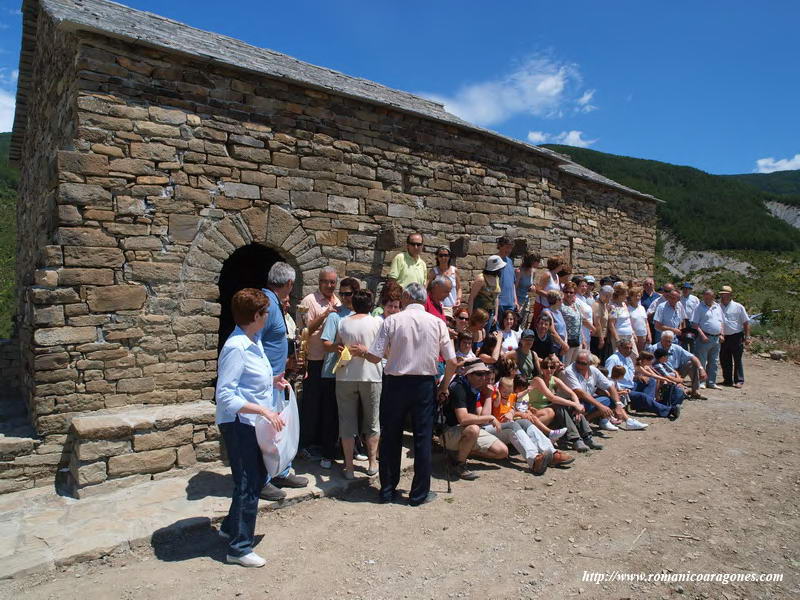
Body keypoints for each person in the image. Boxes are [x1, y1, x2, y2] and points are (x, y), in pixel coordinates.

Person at [361, 283, 458, 506]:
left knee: (391, 437)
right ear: (424, 299)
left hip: (395, 383)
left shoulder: (392, 321)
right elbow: (452, 361)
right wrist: (443, 386)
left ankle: (386, 490)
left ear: (406, 297)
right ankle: (418, 494)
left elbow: (375, 357)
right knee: (423, 439)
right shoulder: (437, 323)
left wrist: (362, 352)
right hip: (424, 384)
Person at [216, 289, 289, 567]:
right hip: (239, 423)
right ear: (256, 316)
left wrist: (273, 382)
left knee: (256, 477)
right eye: (266, 312)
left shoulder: (252, 339)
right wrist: (261, 409)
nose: (269, 316)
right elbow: (225, 395)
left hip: (251, 422)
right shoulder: (236, 347)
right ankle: (239, 548)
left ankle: (230, 527)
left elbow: (249, 381)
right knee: (248, 481)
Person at [260, 262, 308, 500]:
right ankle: (262, 478)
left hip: (276, 380)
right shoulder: (267, 305)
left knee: (279, 430)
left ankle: (280, 470)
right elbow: (254, 341)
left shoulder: (273, 304)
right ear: (289, 284)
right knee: (267, 432)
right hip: (267, 382)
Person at [334, 290, 382, 480]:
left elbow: (338, 346)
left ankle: (349, 466)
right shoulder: (378, 322)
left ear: (353, 304)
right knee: (372, 421)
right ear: (370, 305)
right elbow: (384, 351)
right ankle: (372, 461)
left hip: (345, 375)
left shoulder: (342, 322)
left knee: (346, 422)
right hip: (371, 375)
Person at [298, 267, 340, 461]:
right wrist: (325, 315)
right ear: (319, 282)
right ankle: (306, 445)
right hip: (315, 360)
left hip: (331, 362)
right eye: (326, 282)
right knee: (312, 405)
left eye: (333, 282)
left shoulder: (337, 300)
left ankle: (324, 444)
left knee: (328, 405)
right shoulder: (309, 301)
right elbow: (305, 330)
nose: (330, 286)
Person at [442, 359, 509, 481]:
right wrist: (490, 417)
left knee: (502, 452)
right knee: (473, 429)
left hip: (464, 431)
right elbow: (463, 419)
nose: (483, 377)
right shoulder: (458, 387)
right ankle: (459, 465)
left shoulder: (474, 388)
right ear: (469, 374)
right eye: (479, 374)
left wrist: (488, 396)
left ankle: (460, 453)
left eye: (484, 373)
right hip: (448, 431)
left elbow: (483, 418)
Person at [319, 277, 361, 469]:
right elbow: (325, 343)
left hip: (353, 372)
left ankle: (350, 451)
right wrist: (337, 347)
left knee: (351, 414)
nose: (343, 298)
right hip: (333, 372)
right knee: (331, 415)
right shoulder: (335, 316)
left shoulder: (361, 315)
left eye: (348, 294)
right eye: (341, 294)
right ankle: (327, 453)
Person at [532, 356, 597, 452]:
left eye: (552, 367)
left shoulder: (554, 379)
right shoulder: (538, 380)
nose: (549, 370)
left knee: (568, 403)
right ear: (541, 368)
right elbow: (552, 397)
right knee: (560, 404)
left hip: (550, 411)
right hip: (538, 411)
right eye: (546, 367)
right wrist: (574, 404)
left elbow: (572, 393)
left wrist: (577, 406)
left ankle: (587, 436)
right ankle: (575, 439)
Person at [561, 350, 630, 434]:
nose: (579, 365)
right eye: (578, 362)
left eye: (583, 363)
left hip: (586, 401)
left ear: (589, 363)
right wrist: (600, 406)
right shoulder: (569, 371)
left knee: (612, 400)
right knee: (603, 403)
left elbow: (610, 386)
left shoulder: (594, 370)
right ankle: (586, 422)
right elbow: (579, 392)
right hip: (572, 402)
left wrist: (618, 405)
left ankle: (587, 420)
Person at [603, 338, 651, 430]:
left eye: (630, 348)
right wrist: (620, 390)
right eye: (626, 348)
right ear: (619, 348)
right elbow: (609, 379)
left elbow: (632, 373)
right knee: (642, 396)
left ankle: (645, 405)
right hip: (621, 387)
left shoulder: (628, 358)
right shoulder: (613, 359)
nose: (629, 350)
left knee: (650, 381)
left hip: (631, 385)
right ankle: (668, 410)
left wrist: (638, 376)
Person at [646, 331, 706, 399]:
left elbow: (692, 357)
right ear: (661, 339)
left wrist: (701, 369)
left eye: (670, 341)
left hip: (676, 371)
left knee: (691, 363)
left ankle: (694, 391)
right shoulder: (654, 348)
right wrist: (678, 380)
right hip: (661, 373)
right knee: (677, 389)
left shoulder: (676, 347)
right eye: (666, 341)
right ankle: (681, 390)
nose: (668, 343)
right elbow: (649, 365)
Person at [632, 351, 682, 419]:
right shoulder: (639, 367)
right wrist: (666, 379)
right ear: (645, 360)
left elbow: (655, 375)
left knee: (653, 380)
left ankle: (652, 402)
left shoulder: (646, 366)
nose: (651, 362)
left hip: (642, 385)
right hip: (636, 386)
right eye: (650, 360)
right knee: (652, 380)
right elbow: (651, 375)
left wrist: (665, 380)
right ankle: (668, 409)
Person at [691, 288, 724, 389]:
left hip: (716, 338)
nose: (708, 298)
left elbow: (721, 322)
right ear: (704, 296)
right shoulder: (699, 307)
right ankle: (701, 381)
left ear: (713, 297)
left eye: (710, 296)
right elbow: (695, 324)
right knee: (701, 360)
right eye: (706, 296)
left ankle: (711, 382)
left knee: (714, 361)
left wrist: (722, 334)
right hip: (704, 337)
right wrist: (702, 335)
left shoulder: (718, 307)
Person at [719, 285, 751, 388]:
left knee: (737, 359)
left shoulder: (738, 306)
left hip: (736, 336)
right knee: (724, 359)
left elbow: (746, 322)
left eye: (725, 294)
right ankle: (727, 380)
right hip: (723, 337)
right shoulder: (717, 306)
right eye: (722, 294)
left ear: (730, 295)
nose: (723, 296)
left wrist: (747, 337)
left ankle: (739, 380)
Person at [468, 255, 504, 330]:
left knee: (486, 334)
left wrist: (496, 315)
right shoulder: (481, 279)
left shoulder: (496, 278)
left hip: (490, 313)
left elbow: (496, 297)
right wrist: (470, 316)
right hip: (479, 313)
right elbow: (471, 298)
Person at [428, 246, 461, 317]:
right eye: (441, 255)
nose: (443, 258)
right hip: (438, 306)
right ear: (437, 257)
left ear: (449, 257)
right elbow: (428, 288)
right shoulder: (433, 272)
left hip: (452, 307)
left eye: (446, 255)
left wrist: (458, 299)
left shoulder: (454, 271)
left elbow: (459, 288)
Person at [560, 282, 587, 366]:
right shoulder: (561, 305)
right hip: (567, 340)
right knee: (566, 365)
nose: (568, 294)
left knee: (574, 365)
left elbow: (580, 322)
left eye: (571, 292)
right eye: (566, 292)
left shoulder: (576, 305)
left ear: (574, 293)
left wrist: (583, 339)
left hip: (577, 340)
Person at [534, 256, 567, 322]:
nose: (563, 265)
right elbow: (538, 290)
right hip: (543, 306)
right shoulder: (547, 275)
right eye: (562, 263)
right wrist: (551, 296)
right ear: (557, 264)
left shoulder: (557, 276)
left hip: (552, 307)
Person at [515, 252, 541, 328]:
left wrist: (533, 287)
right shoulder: (519, 271)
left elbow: (532, 284)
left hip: (526, 300)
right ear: (532, 261)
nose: (539, 263)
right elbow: (514, 287)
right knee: (516, 324)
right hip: (518, 301)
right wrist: (515, 302)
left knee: (524, 324)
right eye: (538, 261)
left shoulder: (533, 271)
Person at [608, 284, 635, 354]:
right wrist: (617, 339)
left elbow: (628, 320)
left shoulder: (624, 304)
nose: (627, 295)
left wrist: (633, 332)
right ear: (620, 295)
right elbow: (611, 325)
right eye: (625, 293)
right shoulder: (614, 307)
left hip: (629, 334)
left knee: (634, 355)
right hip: (620, 336)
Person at [496, 236, 519, 315]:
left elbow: (512, 283)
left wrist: (515, 301)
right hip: (499, 303)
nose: (509, 250)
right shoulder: (494, 261)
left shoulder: (509, 261)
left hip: (511, 303)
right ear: (500, 246)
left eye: (510, 248)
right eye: (507, 247)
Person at [590, 285, 613, 363]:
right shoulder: (597, 305)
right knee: (597, 359)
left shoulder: (604, 305)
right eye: (609, 296)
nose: (610, 298)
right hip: (597, 337)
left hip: (604, 336)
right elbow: (598, 323)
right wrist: (601, 339)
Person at [627, 286, 651, 353]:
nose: (637, 298)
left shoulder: (642, 308)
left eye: (639, 296)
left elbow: (646, 322)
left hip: (643, 335)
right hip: (634, 336)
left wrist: (649, 334)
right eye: (635, 296)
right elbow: (628, 323)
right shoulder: (628, 309)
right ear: (631, 297)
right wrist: (633, 334)